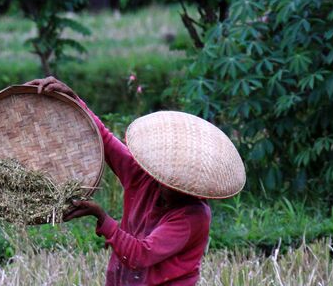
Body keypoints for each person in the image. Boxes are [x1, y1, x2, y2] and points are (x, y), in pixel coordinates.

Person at [25, 77, 246, 286]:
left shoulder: (193, 216)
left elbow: (141, 254)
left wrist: (102, 217)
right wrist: (75, 101)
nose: (167, 183)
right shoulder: (143, 178)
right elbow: (105, 139)